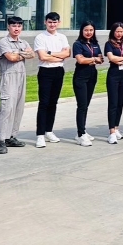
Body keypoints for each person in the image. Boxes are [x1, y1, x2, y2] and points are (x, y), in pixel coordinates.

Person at [0, 16, 35, 154]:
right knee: (6, 109)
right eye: (13, 25)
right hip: (8, 77)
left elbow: (32, 55)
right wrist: (23, 54)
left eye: (19, 26)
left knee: (19, 108)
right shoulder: (3, 42)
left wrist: (18, 53)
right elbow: (11, 58)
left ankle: (11, 136)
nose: (16, 28)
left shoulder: (23, 42)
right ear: (8, 27)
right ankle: (1, 140)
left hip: (21, 77)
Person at [33, 12, 71, 148]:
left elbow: (67, 54)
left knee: (53, 102)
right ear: (45, 22)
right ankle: (40, 135)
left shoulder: (62, 37)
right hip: (45, 71)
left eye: (55, 22)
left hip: (58, 71)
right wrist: (59, 56)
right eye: (50, 22)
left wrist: (50, 53)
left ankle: (49, 131)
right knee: (44, 103)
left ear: (58, 23)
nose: (52, 24)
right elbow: (42, 57)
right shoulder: (40, 37)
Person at [72, 21, 103, 147]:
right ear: (82, 31)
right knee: (82, 105)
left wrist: (90, 60)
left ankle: (83, 130)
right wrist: (94, 59)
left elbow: (101, 59)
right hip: (81, 77)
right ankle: (80, 135)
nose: (89, 32)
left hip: (92, 76)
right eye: (86, 30)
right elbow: (80, 60)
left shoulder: (95, 44)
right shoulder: (78, 44)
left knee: (86, 105)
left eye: (91, 30)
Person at [104, 22, 123, 143]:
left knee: (120, 102)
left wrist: (122, 61)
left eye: (121, 31)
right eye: (117, 31)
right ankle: (111, 131)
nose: (119, 34)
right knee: (113, 103)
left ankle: (116, 128)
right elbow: (112, 58)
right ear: (113, 32)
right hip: (113, 74)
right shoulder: (109, 44)